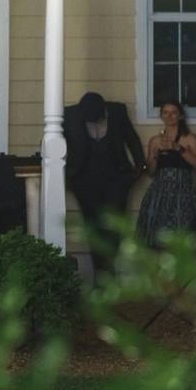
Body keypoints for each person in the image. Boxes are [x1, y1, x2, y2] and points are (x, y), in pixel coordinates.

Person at [63, 91, 145, 274]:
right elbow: (54, 143)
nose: (93, 122)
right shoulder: (70, 115)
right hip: (83, 180)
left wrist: (140, 165)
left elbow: (131, 138)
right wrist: (66, 176)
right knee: (92, 228)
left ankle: (112, 274)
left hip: (116, 178)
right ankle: (100, 276)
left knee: (115, 227)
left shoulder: (116, 112)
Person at [136, 100, 196, 247]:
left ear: (180, 116)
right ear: (161, 116)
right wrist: (153, 155)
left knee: (182, 234)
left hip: (183, 191)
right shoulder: (155, 140)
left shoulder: (190, 138)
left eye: (173, 112)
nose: (169, 116)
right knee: (156, 236)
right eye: (165, 113)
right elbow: (151, 172)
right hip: (159, 193)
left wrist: (177, 148)